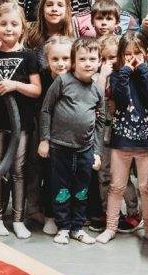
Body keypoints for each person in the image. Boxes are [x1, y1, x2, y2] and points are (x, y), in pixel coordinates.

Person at [96, 32, 148, 247]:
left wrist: (143, 70)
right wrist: (125, 71)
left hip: (145, 143)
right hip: (121, 142)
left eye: (137, 53)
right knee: (116, 186)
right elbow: (122, 101)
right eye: (127, 54)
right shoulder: (118, 76)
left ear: (146, 54)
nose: (133, 58)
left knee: (145, 187)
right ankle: (111, 227)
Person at [0, 3, 42, 239]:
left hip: (22, 124)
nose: (9, 28)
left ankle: (18, 219)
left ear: (22, 27)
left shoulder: (29, 56)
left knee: (18, 171)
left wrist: (15, 85)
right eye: (3, 24)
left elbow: (36, 90)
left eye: (14, 24)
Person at [38, 37, 105, 246]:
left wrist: (97, 151)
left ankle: (77, 227)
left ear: (99, 61)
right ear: (74, 62)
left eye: (92, 59)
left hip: (85, 150)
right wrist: (44, 139)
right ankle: (63, 227)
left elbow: (101, 122)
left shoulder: (97, 90)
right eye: (82, 59)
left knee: (81, 190)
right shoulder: (62, 81)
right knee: (61, 189)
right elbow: (46, 109)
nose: (87, 63)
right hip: (59, 148)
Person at [37, 35, 74, 236]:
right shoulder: (43, 78)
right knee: (50, 177)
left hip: (73, 138)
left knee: (72, 178)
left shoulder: (78, 77)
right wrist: (45, 139)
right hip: (49, 137)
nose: (61, 64)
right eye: (55, 59)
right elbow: (44, 111)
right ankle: (50, 215)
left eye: (66, 59)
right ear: (47, 60)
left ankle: (71, 217)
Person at [24, 0, 75, 68]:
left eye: (60, 5)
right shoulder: (30, 38)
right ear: (42, 10)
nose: (54, 9)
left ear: (67, 10)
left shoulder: (73, 40)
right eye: (49, 5)